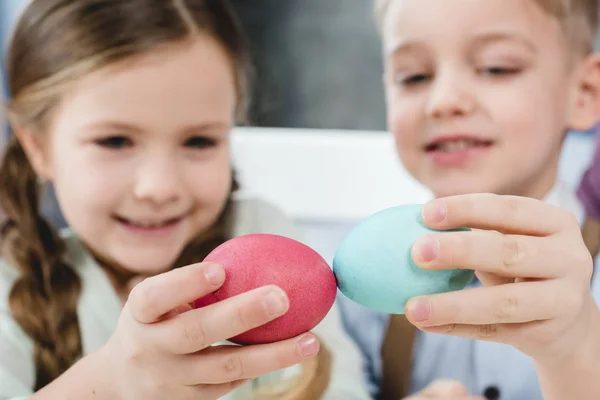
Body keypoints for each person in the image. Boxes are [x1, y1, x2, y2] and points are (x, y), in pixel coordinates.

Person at [0, 1, 370, 399]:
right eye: (115, 141)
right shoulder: (9, 284)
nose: (160, 187)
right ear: (38, 147)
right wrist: (109, 382)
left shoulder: (259, 234)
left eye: (199, 141)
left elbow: (342, 389)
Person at [337, 0, 600, 399]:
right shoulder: (356, 293)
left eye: (497, 68)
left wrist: (574, 350)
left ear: (584, 93)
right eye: (413, 76)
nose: (443, 101)